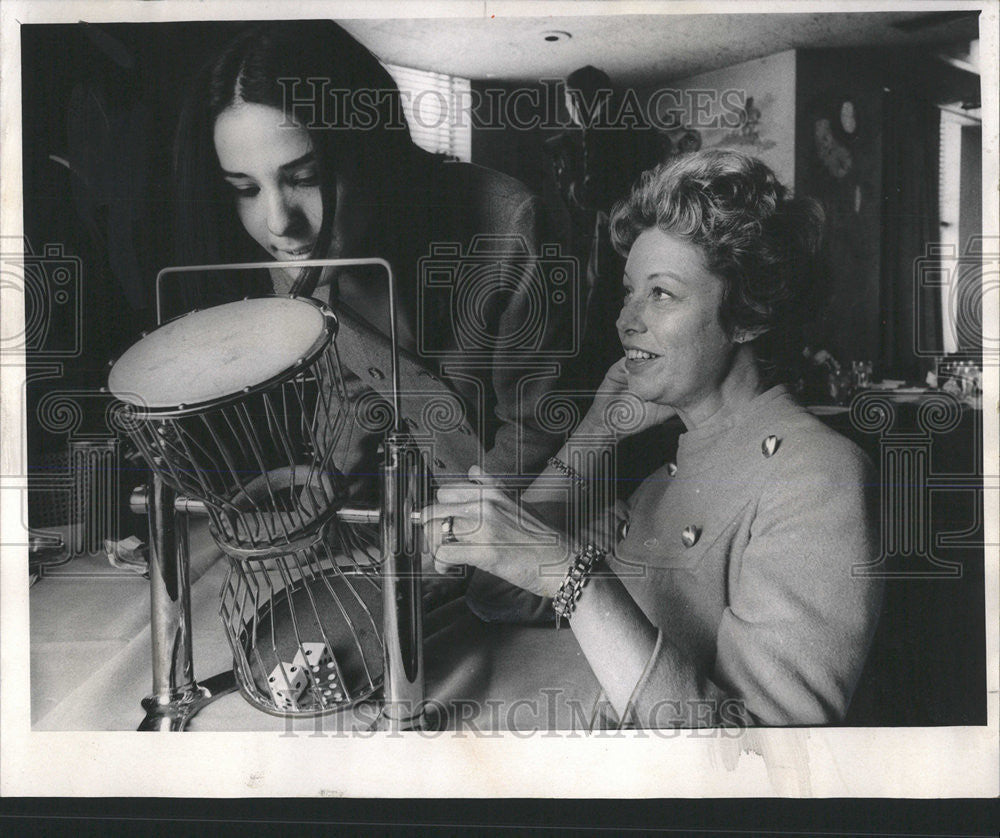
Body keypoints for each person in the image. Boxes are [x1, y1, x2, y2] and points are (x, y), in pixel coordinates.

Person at [423, 150, 884, 727]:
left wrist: (571, 572)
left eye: (661, 293)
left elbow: (764, 761)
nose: (625, 320)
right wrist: (593, 434)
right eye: (628, 291)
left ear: (748, 315)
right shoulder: (661, 477)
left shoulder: (820, 474)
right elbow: (495, 597)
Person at [171, 20, 570, 619]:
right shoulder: (295, 254)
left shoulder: (509, 227)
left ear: (372, 149)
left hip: (548, 510)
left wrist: (455, 546)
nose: (279, 223)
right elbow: (357, 386)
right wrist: (322, 489)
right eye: (246, 188)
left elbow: (541, 427)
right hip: (431, 520)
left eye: (303, 178)